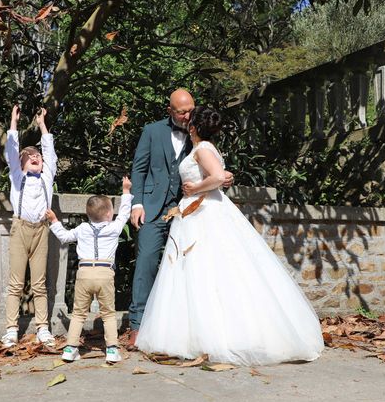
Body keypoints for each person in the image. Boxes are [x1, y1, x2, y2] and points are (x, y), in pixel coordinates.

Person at [135, 106, 325, 365]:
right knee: (197, 273)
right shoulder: (206, 148)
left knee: (207, 270)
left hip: (204, 211)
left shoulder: (202, 149)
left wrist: (195, 188)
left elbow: (216, 177)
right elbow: (220, 176)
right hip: (198, 212)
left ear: (193, 127)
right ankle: (195, 335)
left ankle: (216, 336)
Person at [127, 89, 233, 348]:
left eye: (190, 110)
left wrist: (225, 177)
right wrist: (137, 203)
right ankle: (137, 326)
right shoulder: (152, 131)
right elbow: (139, 169)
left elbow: (211, 169)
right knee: (147, 261)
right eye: (182, 111)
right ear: (170, 111)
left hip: (192, 210)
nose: (187, 116)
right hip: (153, 208)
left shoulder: (200, 134)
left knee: (191, 267)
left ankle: (187, 328)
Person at [46, 177, 133, 363]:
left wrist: (54, 221)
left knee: (78, 313)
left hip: (84, 272)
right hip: (104, 273)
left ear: (88, 214)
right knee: (108, 313)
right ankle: (111, 350)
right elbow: (125, 214)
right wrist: (125, 192)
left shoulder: (82, 228)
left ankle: (70, 349)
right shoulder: (114, 227)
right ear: (109, 214)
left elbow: (64, 236)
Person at [1, 105, 57, 348]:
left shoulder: (46, 177)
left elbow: (50, 152)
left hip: (41, 230)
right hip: (20, 229)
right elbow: (12, 152)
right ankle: (11, 329)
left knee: (40, 283)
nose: (36, 157)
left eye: (38, 156)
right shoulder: (17, 177)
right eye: (29, 156)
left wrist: (42, 125)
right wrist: (13, 123)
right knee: (15, 283)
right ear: (21, 163)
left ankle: (43, 327)